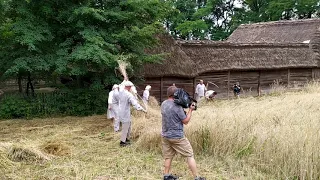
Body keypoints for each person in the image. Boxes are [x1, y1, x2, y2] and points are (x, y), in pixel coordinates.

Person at [161, 86, 206, 180]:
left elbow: (173, 116)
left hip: (165, 135)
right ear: (176, 94)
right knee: (189, 155)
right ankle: (197, 177)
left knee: (168, 156)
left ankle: (166, 175)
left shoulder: (164, 103)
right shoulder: (177, 107)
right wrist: (190, 110)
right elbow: (185, 121)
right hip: (177, 137)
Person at [116, 80, 146, 147]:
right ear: (129, 87)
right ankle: (122, 142)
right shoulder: (128, 94)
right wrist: (142, 109)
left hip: (120, 112)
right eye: (130, 87)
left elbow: (120, 86)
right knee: (126, 127)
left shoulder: (120, 92)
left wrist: (124, 80)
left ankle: (126, 139)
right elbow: (135, 104)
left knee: (127, 126)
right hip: (125, 113)